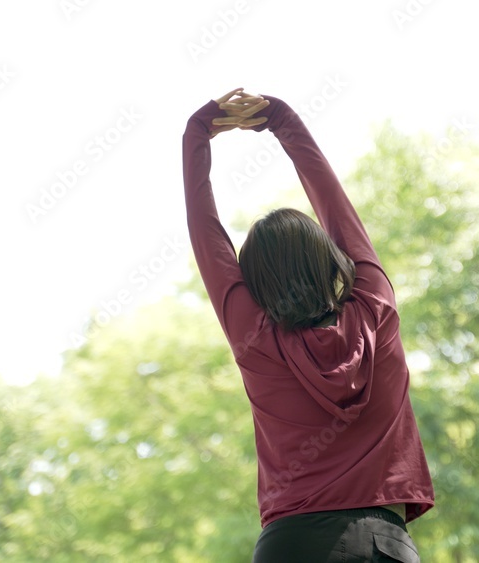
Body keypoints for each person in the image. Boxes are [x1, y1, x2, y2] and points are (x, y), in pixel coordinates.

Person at [183, 88, 435, 562]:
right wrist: (282, 120)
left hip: (290, 546)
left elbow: (207, 235)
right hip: (384, 545)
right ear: (331, 260)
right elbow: (340, 214)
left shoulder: (254, 335)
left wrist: (198, 134)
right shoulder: (376, 310)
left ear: (253, 283)